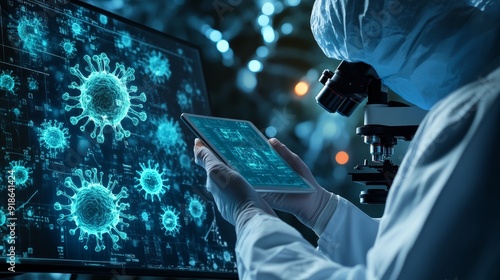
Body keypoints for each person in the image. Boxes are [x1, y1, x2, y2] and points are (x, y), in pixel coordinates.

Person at [194, 0, 500, 279]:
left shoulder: (475, 114)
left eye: (373, 69)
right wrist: (321, 209)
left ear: (397, 42)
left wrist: (249, 220)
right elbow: (428, 252)